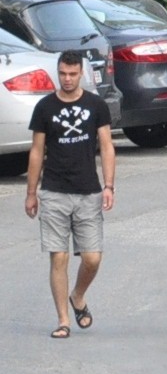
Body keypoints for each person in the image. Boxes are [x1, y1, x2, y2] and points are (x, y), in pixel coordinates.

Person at [24, 50, 116, 339]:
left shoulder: (96, 104)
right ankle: (63, 320)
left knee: (92, 258)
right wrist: (31, 192)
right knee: (59, 257)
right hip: (53, 191)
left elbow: (107, 146)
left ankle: (78, 295)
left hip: (88, 191)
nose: (67, 79)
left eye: (72, 74)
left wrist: (109, 185)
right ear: (58, 71)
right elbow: (37, 151)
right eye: (63, 73)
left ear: (81, 74)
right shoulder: (44, 107)